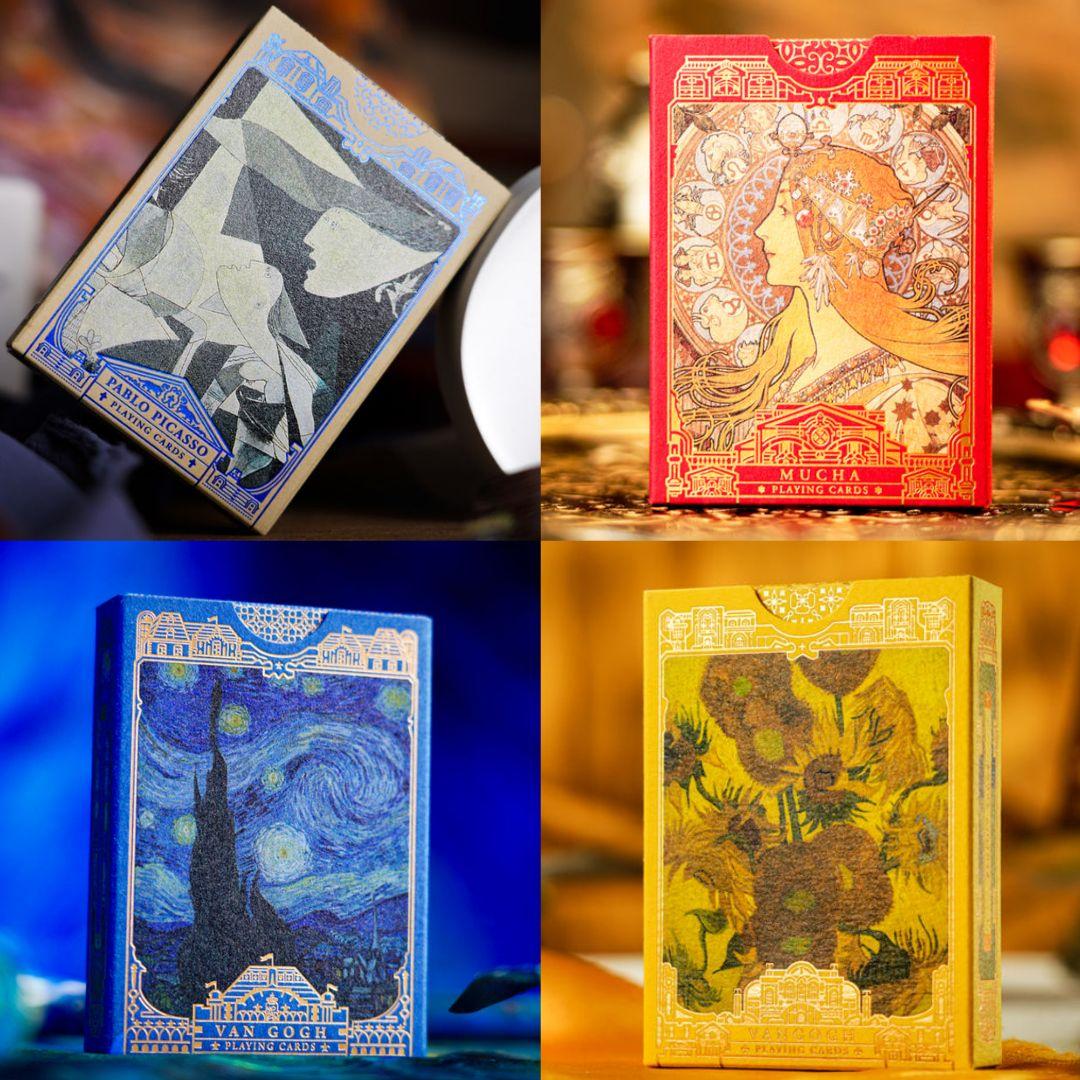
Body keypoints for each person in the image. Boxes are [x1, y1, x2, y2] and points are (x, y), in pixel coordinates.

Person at [676, 142, 969, 454]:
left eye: (784, 211)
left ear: (831, 236)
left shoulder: (917, 395)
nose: (761, 229)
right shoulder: (794, 374)